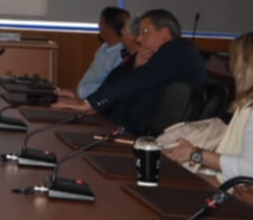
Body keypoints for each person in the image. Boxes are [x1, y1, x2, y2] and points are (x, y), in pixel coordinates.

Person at [164, 31, 253, 181]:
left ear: (245, 66)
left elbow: (252, 171)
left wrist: (196, 154)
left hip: (249, 193)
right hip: (247, 187)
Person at [60, 8, 207, 138]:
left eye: (144, 33)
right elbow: (116, 77)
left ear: (165, 33)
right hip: (126, 125)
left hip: (146, 135)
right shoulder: (154, 53)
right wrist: (90, 102)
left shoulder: (176, 51)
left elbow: (138, 81)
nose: (138, 39)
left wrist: (92, 104)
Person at [61, 7, 130, 102]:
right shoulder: (104, 47)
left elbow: (110, 89)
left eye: (101, 22)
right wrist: (75, 91)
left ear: (109, 28)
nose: (99, 25)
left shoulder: (122, 55)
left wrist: (80, 93)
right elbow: (91, 78)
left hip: (97, 103)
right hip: (84, 96)